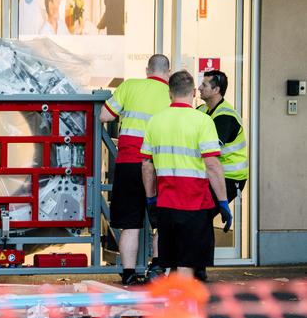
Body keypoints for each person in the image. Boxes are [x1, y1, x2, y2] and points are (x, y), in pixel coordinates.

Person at [141, 70, 233, 278]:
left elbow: (147, 165)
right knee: (187, 264)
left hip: (166, 204)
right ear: (192, 92)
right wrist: (223, 201)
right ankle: (183, 308)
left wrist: (150, 198)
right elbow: (212, 165)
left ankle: (173, 307)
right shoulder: (202, 121)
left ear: (169, 93)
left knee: (172, 263)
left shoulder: (155, 121)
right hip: (194, 204)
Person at [99, 54, 171, 285]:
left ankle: (129, 274)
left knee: (130, 223)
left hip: (129, 162)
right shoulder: (172, 94)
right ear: (167, 72)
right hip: (160, 165)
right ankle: (157, 268)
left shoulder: (130, 85)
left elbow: (103, 115)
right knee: (161, 220)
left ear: (147, 69)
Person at [194, 70, 248, 281]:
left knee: (203, 215)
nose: (199, 88)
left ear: (216, 90)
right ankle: (196, 266)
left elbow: (208, 150)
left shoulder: (226, 117)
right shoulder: (201, 110)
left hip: (229, 178)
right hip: (211, 175)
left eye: (205, 85)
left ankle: (200, 268)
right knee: (199, 215)